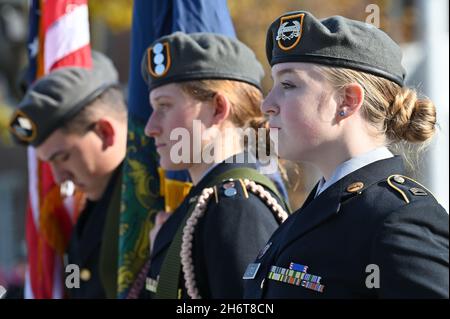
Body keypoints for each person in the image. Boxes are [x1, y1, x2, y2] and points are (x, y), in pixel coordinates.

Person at [243, 10, 449, 299]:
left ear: (347, 101)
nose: (267, 104)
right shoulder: (314, 211)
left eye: (288, 85)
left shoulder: (398, 219)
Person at [139, 32, 290, 299]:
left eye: (164, 106)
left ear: (218, 108)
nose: (151, 128)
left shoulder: (236, 207)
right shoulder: (209, 201)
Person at [9, 51, 127, 298]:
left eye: (62, 157)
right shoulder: (86, 210)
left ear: (105, 132)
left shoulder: (147, 202)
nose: (59, 177)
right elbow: (75, 285)